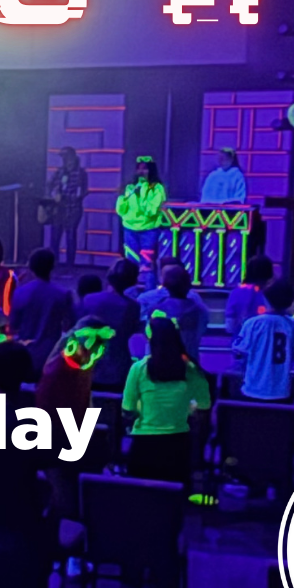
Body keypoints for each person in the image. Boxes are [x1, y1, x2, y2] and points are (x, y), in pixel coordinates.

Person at [121, 318, 210, 485]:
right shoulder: (192, 370)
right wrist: (185, 409)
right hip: (178, 447)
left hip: (143, 445)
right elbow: (204, 407)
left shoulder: (138, 369)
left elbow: (128, 410)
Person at [233, 279, 294, 401]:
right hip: (282, 391)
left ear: (266, 298)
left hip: (254, 388)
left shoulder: (253, 323)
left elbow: (239, 352)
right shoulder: (293, 325)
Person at [80, 261, 142, 388]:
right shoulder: (133, 307)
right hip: (118, 367)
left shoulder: (89, 299)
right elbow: (132, 332)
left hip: (88, 365)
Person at [10, 247, 76, 366]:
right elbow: (70, 325)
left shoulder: (19, 292)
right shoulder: (63, 294)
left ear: (31, 267)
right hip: (51, 355)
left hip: (24, 353)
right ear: (52, 266)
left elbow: (14, 324)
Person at [116, 157, 168, 290]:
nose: (141, 171)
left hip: (149, 230)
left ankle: (149, 293)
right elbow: (121, 210)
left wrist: (141, 196)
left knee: (147, 263)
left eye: (144, 168)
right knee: (130, 263)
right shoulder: (130, 187)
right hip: (130, 229)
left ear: (151, 170)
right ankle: (130, 291)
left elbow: (152, 211)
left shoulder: (157, 188)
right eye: (139, 168)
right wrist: (124, 197)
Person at [45, 145, 88, 267]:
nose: (64, 159)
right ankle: (54, 265)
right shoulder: (60, 171)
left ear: (73, 157)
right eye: (63, 157)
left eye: (66, 156)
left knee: (70, 236)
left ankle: (69, 266)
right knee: (55, 237)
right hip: (59, 209)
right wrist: (53, 195)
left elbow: (84, 191)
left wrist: (75, 197)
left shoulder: (81, 173)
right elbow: (49, 185)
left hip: (73, 209)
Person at [225, 255, 275, 337]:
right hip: (265, 341)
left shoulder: (236, 293)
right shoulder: (272, 293)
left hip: (241, 340)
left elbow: (230, 326)